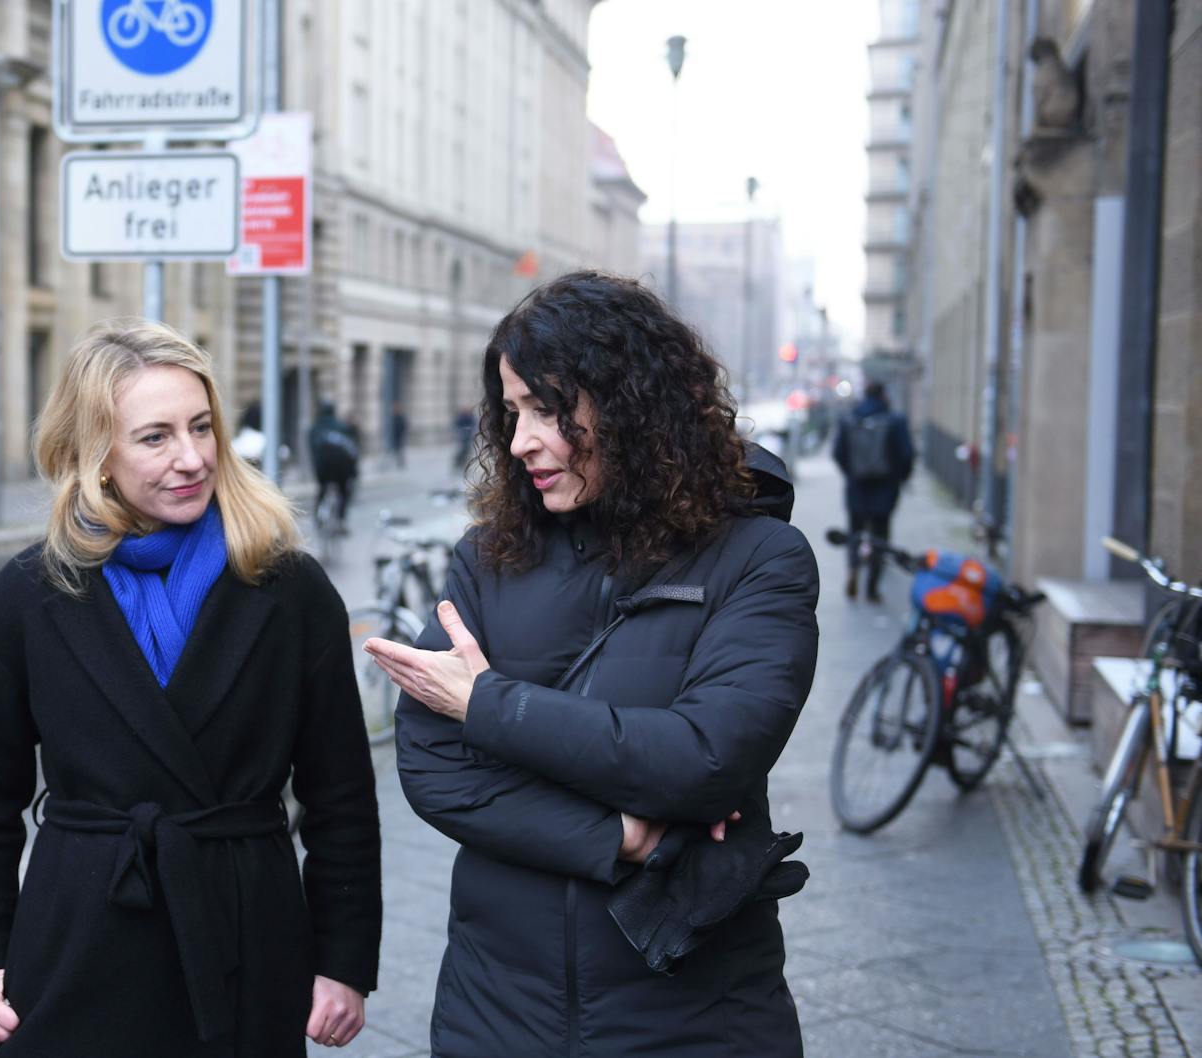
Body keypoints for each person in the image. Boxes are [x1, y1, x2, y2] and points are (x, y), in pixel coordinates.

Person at [364, 272, 818, 1057]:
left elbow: (703, 759)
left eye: (547, 408)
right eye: (512, 413)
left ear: (634, 403)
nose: (520, 441)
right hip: (497, 1010)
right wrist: (622, 838)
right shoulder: (487, 558)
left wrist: (488, 707)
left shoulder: (760, 559)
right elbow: (436, 771)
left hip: (693, 1012)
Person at [0, 320, 381, 1057]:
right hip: (79, 935)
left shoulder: (289, 588)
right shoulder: (28, 595)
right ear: (96, 454)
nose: (192, 457)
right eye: (156, 437)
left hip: (245, 932)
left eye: (202, 427)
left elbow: (341, 796)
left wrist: (343, 963)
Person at [832, 379, 914, 602]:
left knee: (854, 534)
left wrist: (851, 472)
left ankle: (853, 570)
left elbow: (838, 453)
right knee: (880, 537)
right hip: (885, 489)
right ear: (883, 395)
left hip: (856, 488)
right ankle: (872, 588)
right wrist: (900, 478)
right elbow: (906, 454)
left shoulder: (849, 419)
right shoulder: (895, 421)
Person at [306, 401, 360, 533]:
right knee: (343, 491)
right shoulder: (342, 427)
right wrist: (354, 472)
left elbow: (312, 450)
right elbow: (352, 450)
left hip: (323, 467)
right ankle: (341, 520)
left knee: (322, 489)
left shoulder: (315, 428)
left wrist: (315, 468)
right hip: (341, 469)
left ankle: (318, 518)